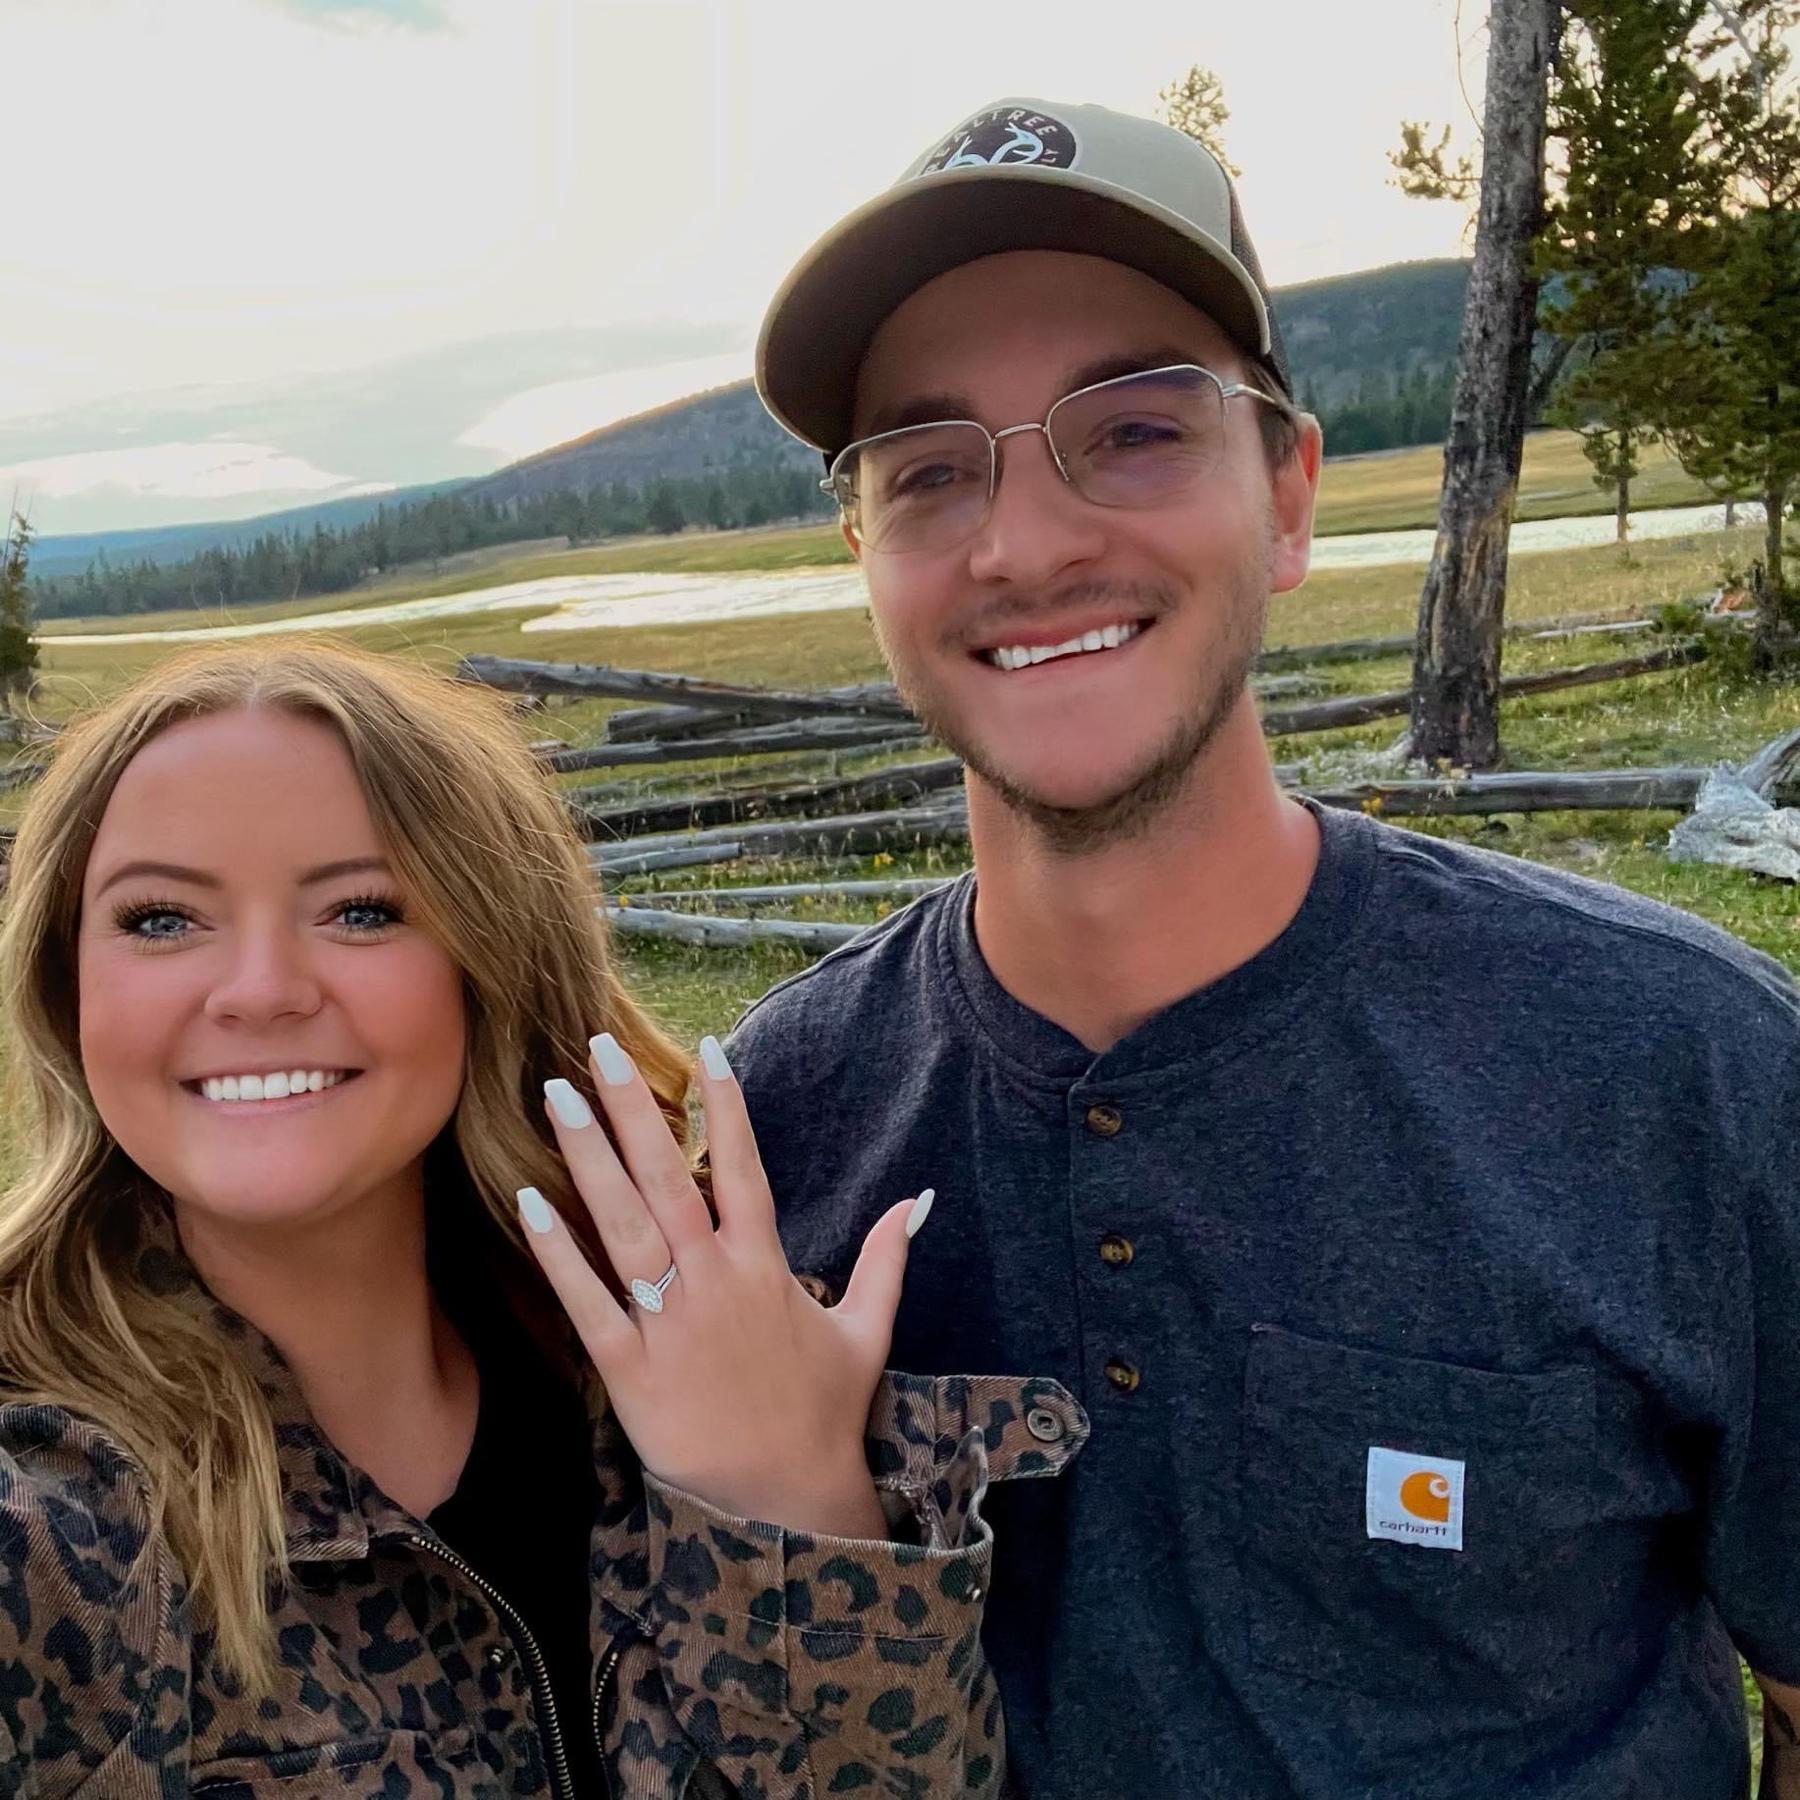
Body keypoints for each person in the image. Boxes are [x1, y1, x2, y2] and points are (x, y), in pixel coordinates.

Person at [727, 96, 1800, 1797]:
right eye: (929, 468)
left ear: (1289, 497)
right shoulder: (771, 1133)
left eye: (1136, 432)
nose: (1026, 543)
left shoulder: (1685, 1069)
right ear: (865, 550)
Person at [0, 640, 1085, 1797]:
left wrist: (795, 1514)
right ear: (67, 985)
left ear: (490, 966)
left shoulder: (686, 1369)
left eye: (361, 910)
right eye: (161, 920)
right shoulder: (48, 1523)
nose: (260, 989)